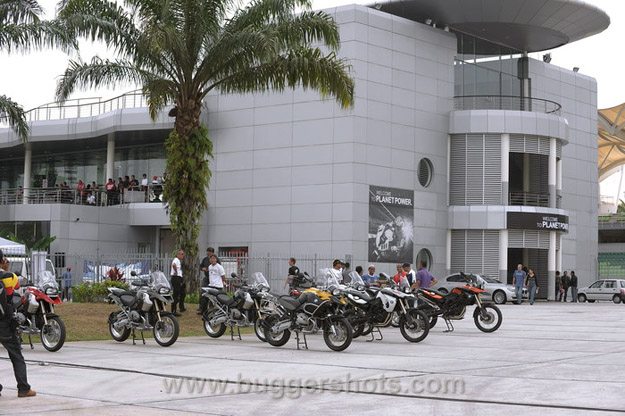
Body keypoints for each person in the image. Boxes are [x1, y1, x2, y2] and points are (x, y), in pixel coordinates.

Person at [0, 251, 36, 398]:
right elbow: (14, 290)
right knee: (16, 355)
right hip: (5, 323)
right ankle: (23, 388)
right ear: (3, 260)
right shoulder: (9, 276)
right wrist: (5, 268)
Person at [198, 247, 218, 314]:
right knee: (203, 292)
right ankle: (202, 308)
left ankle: (212, 309)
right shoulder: (205, 259)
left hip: (214, 280)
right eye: (207, 251)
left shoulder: (216, 259)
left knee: (212, 294)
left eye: (209, 252)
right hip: (207, 278)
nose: (208, 253)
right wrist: (202, 268)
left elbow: (219, 269)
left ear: (212, 252)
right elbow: (200, 266)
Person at [170, 249, 185, 316]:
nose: (183, 255)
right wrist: (176, 272)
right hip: (176, 278)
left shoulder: (178, 261)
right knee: (176, 295)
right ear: (178, 254)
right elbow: (173, 265)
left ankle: (181, 307)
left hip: (179, 278)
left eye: (183, 254)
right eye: (181, 254)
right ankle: (173, 311)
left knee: (182, 293)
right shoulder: (176, 260)